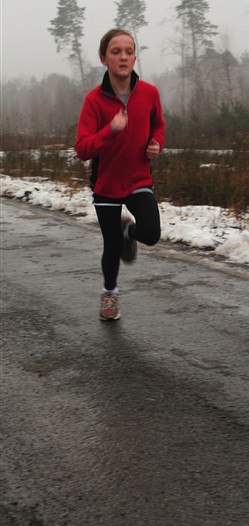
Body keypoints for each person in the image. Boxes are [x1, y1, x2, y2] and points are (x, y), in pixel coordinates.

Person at [75, 28, 165, 321]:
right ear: (104, 59)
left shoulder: (149, 93)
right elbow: (82, 148)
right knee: (112, 247)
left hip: (139, 179)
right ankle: (110, 294)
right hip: (106, 185)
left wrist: (156, 144)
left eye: (129, 51)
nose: (123, 56)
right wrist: (110, 131)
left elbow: (158, 126)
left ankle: (131, 231)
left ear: (135, 57)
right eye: (116, 51)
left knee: (151, 233)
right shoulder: (94, 101)